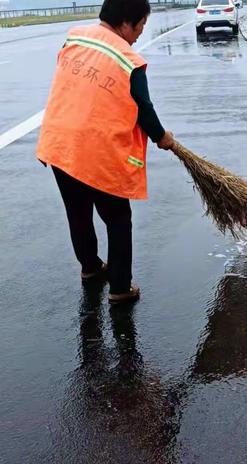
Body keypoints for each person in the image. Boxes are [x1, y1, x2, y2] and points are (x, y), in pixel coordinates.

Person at [36, 0, 174, 305]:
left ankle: (90, 268)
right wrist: (162, 137)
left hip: (60, 142)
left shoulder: (75, 37)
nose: (139, 34)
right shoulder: (129, 60)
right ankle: (120, 288)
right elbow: (144, 110)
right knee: (117, 218)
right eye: (140, 26)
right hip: (96, 149)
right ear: (127, 23)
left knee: (78, 212)